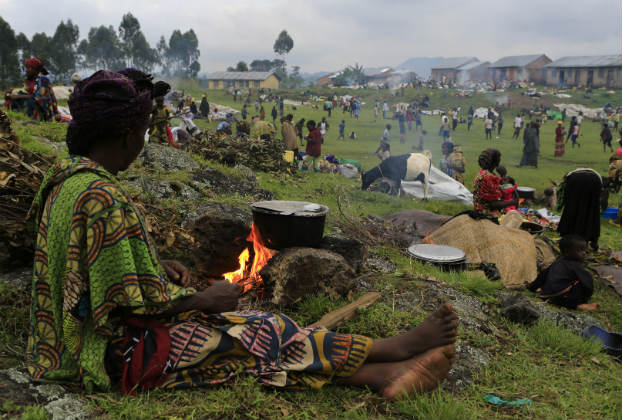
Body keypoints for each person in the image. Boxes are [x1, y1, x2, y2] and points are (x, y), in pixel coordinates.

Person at [25, 69, 460, 399]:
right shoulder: (100, 195)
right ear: (124, 137)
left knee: (258, 325)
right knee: (258, 330)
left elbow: (90, 267)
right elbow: (128, 307)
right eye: (141, 134)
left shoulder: (68, 181)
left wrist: (154, 265)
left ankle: (382, 370)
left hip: (76, 343)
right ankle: (389, 353)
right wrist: (203, 299)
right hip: (112, 356)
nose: (142, 144)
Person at [527, 235, 599, 311]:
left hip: (547, 295)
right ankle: (578, 305)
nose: (584, 253)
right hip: (563, 298)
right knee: (580, 283)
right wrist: (587, 296)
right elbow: (588, 282)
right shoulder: (575, 266)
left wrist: (532, 287)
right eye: (579, 250)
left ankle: (569, 303)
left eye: (584, 250)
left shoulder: (558, 261)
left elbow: (542, 276)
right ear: (567, 252)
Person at [558, 168, 603, 251]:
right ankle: (592, 242)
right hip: (594, 181)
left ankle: (566, 236)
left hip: (574, 180)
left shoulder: (571, 175)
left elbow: (564, 198)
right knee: (592, 211)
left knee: (571, 207)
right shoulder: (597, 178)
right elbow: (601, 201)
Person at [7, 57, 59, 121]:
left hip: (43, 111)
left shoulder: (42, 80)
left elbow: (38, 98)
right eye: (27, 68)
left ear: (36, 70)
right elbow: (25, 92)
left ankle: (33, 119)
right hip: (33, 105)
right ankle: (14, 117)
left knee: (26, 101)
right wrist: (13, 91)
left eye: (30, 68)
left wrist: (18, 96)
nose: (27, 70)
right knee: (10, 95)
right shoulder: (28, 80)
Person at [472, 148, 517, 216]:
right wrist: (512, 202)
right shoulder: (489, 177)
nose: (500, 160)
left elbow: (497, 186)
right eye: (499, 158)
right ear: (496, 161)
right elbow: (493, 204)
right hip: (486, 212)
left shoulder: (482, 173)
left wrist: (503, 175)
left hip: (479, 208)